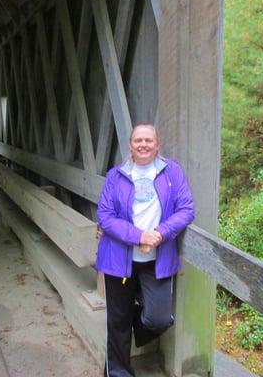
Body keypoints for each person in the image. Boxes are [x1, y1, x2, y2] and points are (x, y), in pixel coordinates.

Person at [96, 124, 195, 376]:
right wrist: (139, 236)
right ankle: (118, 372)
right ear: (130, 145)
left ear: (157, 144)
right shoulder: (115, 176)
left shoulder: (172, 172)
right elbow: (104, 216)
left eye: (148, 140)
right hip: (119, 259)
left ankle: (133, 315)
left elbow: (187, 210)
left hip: (156, 259)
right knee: (117, 323)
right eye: (138, 140)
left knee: (159, 318)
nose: (143, 144)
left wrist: (161, 233)